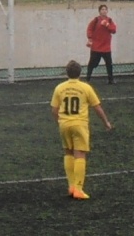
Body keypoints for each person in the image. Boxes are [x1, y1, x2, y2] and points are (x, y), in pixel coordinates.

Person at [50, 60, 112, 200]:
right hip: (80, 124)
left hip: (64, 124)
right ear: (80, 73)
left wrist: (59, 122)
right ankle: (78, 189)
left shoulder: (59, 88)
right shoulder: (85, 87)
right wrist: (106, 122)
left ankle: (71, 186)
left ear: (67, 72)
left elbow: (54, 109)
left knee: (68, 152)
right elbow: (97, 107)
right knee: (80, 154)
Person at [86, 4, 117, 84]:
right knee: (93, 63)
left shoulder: (109, 20)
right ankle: (87, 79)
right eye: (102, 9)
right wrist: (90, 38)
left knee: (109, 64)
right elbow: (90, 29)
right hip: (96, 47)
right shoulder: (96, 20)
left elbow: (113, 30)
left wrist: (107, 25)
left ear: (107, 11)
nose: (104, 11)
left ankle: (111, 79)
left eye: (105, 9)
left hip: (106, 47)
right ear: (99, 11)